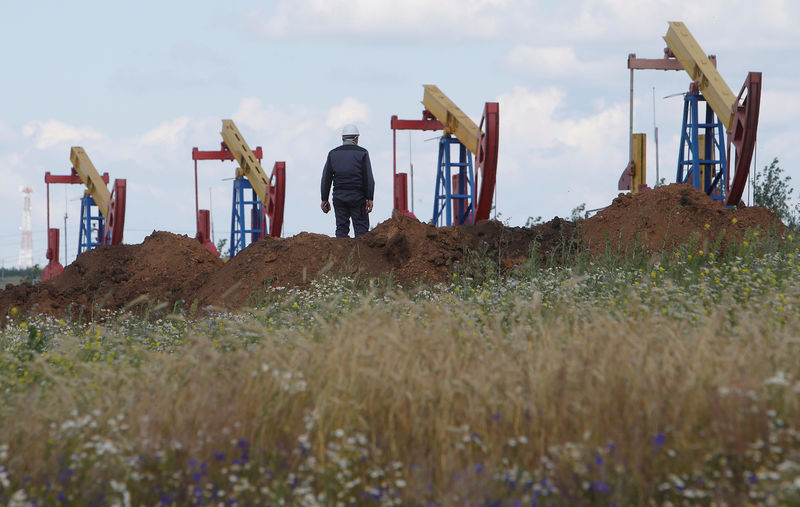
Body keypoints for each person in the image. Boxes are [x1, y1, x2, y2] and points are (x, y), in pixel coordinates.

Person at [320, 124, 375, 238]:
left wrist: (324, 199)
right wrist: (370, 198)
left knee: (341, 228)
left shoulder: (333, 153)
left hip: (339, 197)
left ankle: (341, 255)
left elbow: (326, 177)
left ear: (342, 138)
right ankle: (361, 255)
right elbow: (368, 177)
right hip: (358, 198)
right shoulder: (363, 153)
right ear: (356, 138)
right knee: (361, 230)